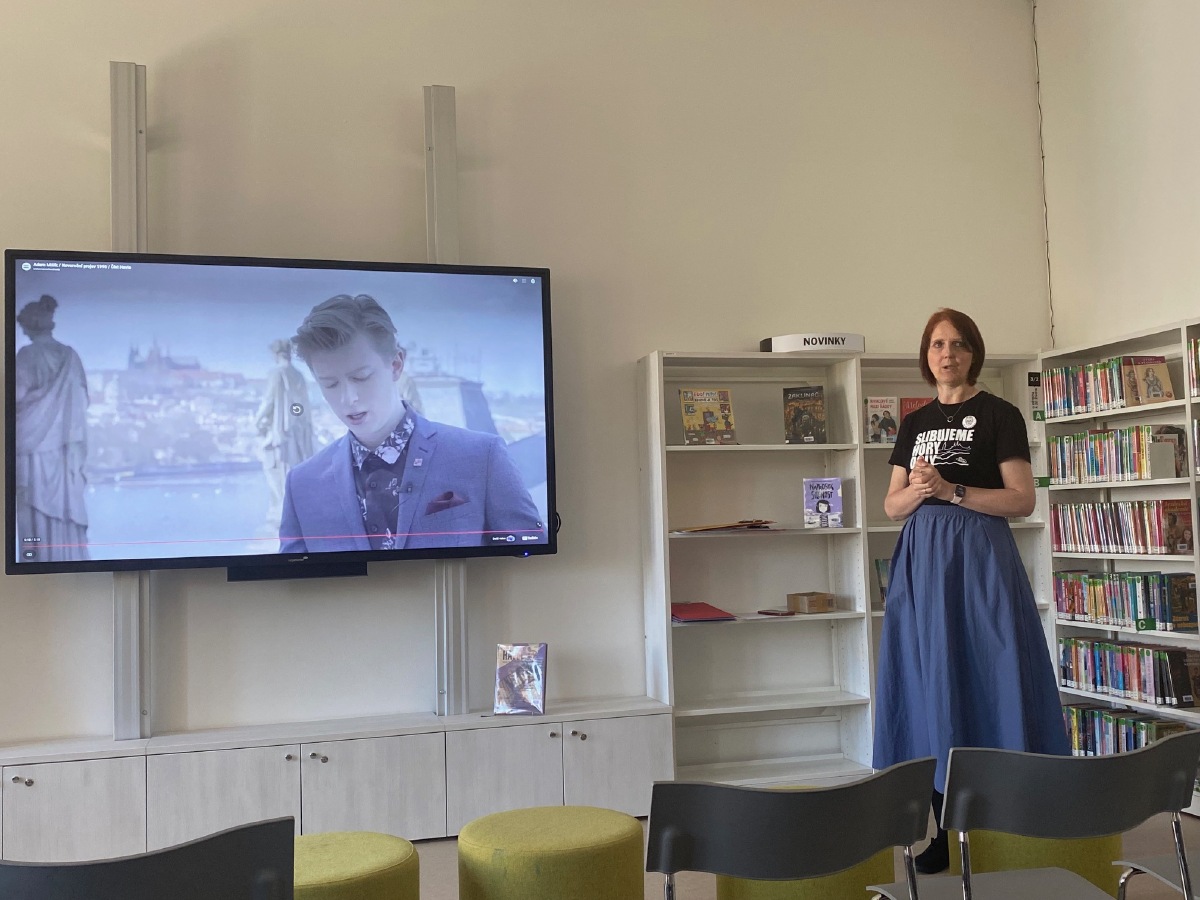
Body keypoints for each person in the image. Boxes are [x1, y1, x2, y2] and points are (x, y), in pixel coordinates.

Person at [872, 308, 1068, 874]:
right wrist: (921, 489)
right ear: (926, 355)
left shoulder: (1000, 414)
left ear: (973, 353)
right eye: (937, 344)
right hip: (923, 563)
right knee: (930, 682)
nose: (947, 354)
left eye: (958, 344)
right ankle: (941, 829)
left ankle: (1003, 819)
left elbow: (1021, 499)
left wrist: (951, 489)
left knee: (988, 672)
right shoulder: (913, 423)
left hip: (979, 558)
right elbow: (892, 506)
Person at [278, 293, 544, 551]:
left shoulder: (481, 456)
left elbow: (533, 564)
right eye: (330, 384)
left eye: (361, 377)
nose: (349, 398)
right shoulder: (302, 484)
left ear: (396, 364)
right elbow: (295, 580)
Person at [13, 294, 90, 561]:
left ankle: (40, 560)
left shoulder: (26, 356)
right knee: (63, 508)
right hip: (64, 449)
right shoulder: (70, 356)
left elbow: (15, 397)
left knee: (32, 508)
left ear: (29, 325)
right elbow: (81, 403)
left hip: (31, 446)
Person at [255, 339, 315, 524]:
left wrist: (257, 421)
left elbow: (269, 401)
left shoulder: (277, 373)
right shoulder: (299, 376)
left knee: (274, 467)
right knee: (292, 469)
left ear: (275, 355)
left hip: (281, 431)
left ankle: (283, 509)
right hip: (298, 431)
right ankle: (292, 508)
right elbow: (301, 406)